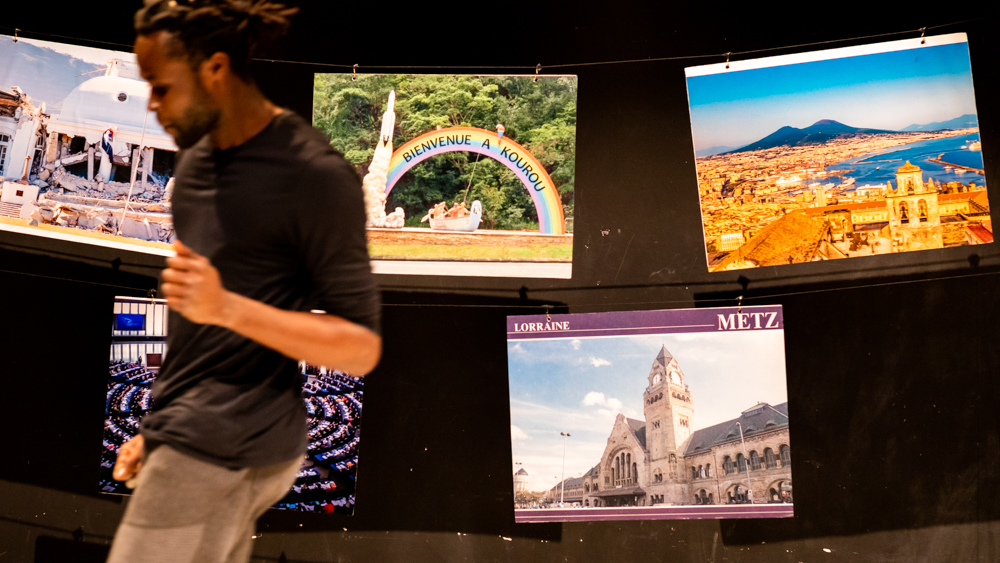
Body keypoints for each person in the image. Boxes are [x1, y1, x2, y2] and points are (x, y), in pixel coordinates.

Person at [106, 1, 381, 561]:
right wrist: (157, 431)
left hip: (234, 441)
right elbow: (197, 336)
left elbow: (360, 348)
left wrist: (225, 306)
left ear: (215, 69)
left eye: (162, 87)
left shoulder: (316, 177)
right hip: (194, 437)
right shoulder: (194, 170)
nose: (152, 106)